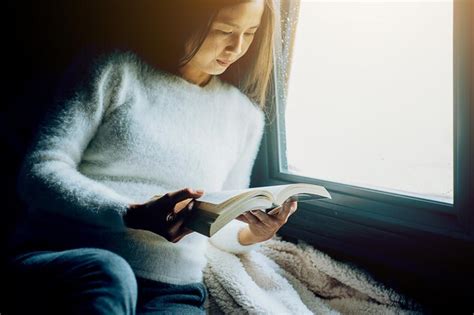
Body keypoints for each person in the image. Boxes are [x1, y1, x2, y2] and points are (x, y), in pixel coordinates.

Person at [6, 0, 298, 314]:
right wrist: (130, 214)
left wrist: (254, 232)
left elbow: (219, 228)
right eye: (223, 30)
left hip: (172, 289)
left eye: (250, 33)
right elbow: (39, 172)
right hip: (72, 260)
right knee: (110, 274)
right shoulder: (114, 71)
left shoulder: (244, 117)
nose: (236, 47)